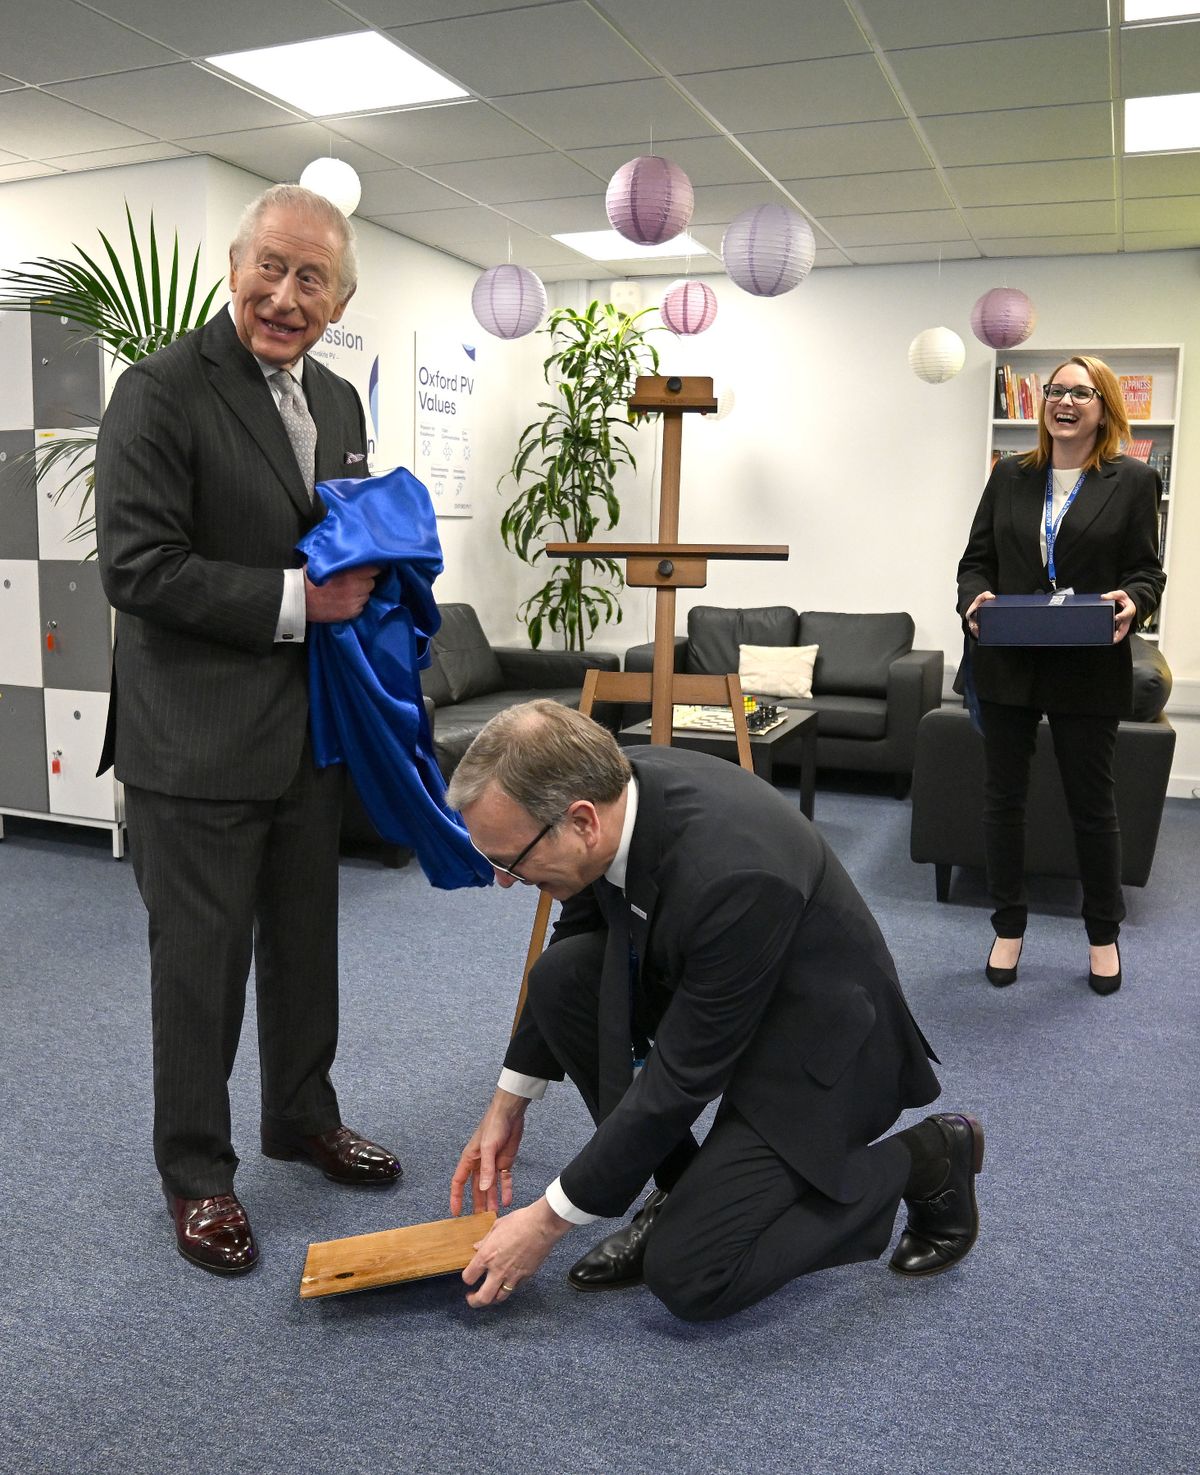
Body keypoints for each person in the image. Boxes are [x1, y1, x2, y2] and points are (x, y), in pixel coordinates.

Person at [445, 701, 984, 1323]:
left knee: (693, 1274)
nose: (506, 881)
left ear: (582, 821)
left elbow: (679, 1079)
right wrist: (508, 1101)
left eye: (510, 860)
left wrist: (546, 1219)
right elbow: (581, 932)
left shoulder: (734, 874)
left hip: (817, 1045)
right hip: (716, 993)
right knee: (563, 977)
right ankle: (681, 1189)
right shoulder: (614, 786)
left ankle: (927, 1158)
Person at [95, 184, 401, 1278]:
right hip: (195, 738)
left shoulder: (338, 400)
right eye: (270, 266)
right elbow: (136, 567)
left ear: (338, 299)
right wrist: (295, 602)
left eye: (311, 277)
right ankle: (198, 1172)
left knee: (306, 946)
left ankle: (300, 1115)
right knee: (201, 968)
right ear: (236, 267)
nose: (285, 293)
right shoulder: (160, 390)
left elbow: (343, 531)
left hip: (306, 732)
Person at [957, 355, 1166, 996]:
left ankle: (1103, 936)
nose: (1064, 402)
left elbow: (1146, 572)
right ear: (1041, 404)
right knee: (1003, 802)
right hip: (1009, 660)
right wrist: (974, 600)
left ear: (1104, 406)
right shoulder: (1010, 476)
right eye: (1055, 391)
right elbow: (976, 561)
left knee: (1092, 807)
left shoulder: (1131, 480)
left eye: (1081, 392)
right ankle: (1008, 928)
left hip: (1087, 664)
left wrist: (1135, 600)